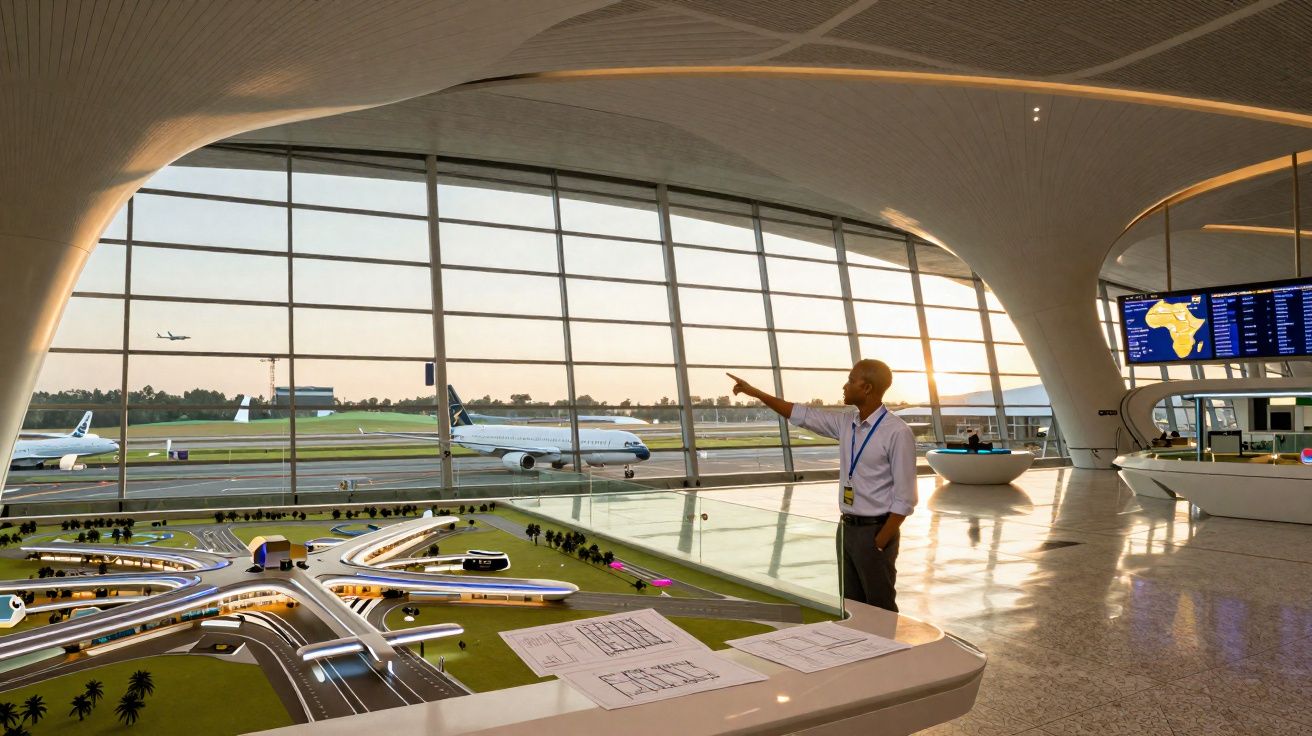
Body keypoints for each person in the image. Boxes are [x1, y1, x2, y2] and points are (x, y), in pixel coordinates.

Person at [728, 360, 917, 612]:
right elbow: (801, 415)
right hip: (847, 529)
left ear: (868, 387)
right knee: (851, 607)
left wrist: (880, 541)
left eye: (851, 380)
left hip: (875, 531)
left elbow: (905, 498)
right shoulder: (847, 424)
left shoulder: (896, 432)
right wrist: (758, 393)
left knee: (880, 609)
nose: (845, 385)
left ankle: (894, 652)